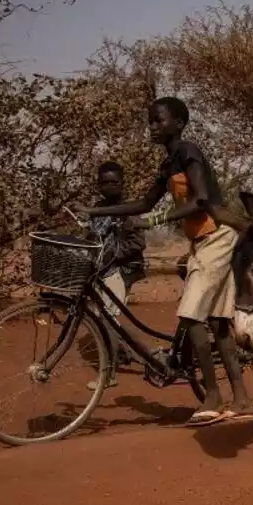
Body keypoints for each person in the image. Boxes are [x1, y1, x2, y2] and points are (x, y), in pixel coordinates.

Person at [72, 97, 250, 426]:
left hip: (218, 237)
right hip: (203, 241)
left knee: (192, 315)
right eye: (150, 121)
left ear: (179, 124)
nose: (153, 127)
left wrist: (153, 221)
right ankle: (241, 397)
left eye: (159, 121)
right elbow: (142, 202)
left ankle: (213, 395)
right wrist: (95, 211)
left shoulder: (189, 152)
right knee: (218, 323)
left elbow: (199, 200)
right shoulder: (169, 163)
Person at [87, 161, 148, 390]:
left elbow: (137, 243)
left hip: (118, 272)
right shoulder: (97, 209)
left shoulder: (129, 210)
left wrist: (114, 254)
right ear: (98, 185)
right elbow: (93, 237)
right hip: (98, 273)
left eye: (114, 182)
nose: (109, 186)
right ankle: (138, 354)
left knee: (108, 322)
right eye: (104, 182)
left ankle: (109, 374)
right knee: (103, 320)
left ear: (122, 184)